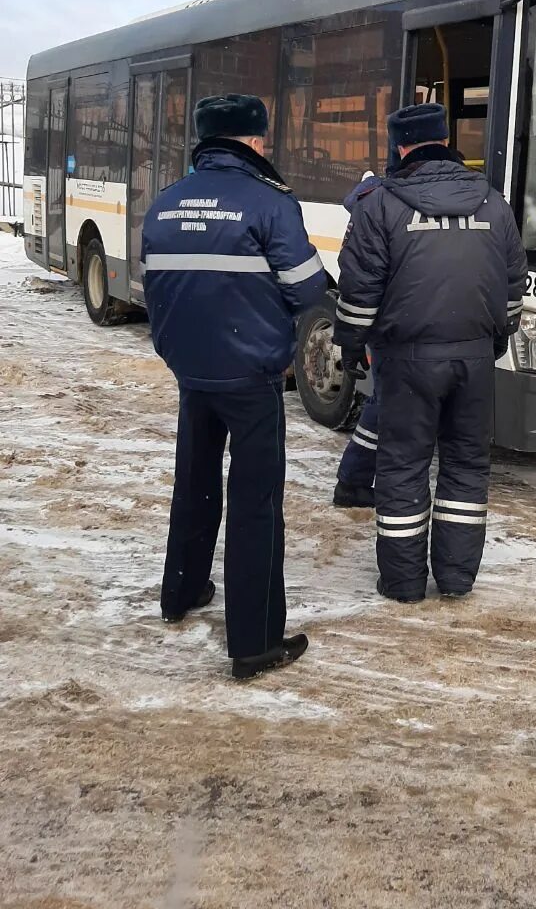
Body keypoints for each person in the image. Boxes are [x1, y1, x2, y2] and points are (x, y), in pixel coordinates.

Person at [141, 94, 328, 681]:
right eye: (263, 139)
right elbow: (306, 289)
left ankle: (182, 592)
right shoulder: (269, 203)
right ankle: (255, 642)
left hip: (191, 371)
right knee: (256, 503)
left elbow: (156, 288)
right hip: (251, 377)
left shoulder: (165, 203)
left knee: (194, 483)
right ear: (251, 142)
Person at [333, 102, 527, 603]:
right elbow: (511, 289)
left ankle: (403, 583)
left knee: (402, 466)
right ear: (446, 141)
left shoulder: (380, 206)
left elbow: (358, 294)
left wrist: (351, 350)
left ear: (401, 147)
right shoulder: (493, 203)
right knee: (466, 465)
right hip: (475, 358)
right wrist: (495, 340)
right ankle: (457, 579)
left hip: (406, 361)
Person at [331, 143, 401, 510]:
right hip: (389, 322)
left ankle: (355, 480)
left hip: (379, 320)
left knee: (383, 402)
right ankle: (354, 481)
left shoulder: (368, 202)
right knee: (384, 404)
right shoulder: (382, 204)